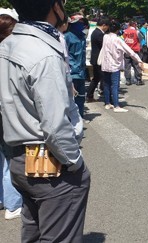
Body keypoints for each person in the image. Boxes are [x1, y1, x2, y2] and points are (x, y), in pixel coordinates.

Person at [0, 0, 90, 241]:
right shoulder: (43, 53)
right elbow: (55, 125)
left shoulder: (7, 45)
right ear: (55, 7)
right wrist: (74, 162)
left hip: (19, 157)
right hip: (49, 162)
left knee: (33, 230)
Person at [0, 7, 22, 221]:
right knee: (9, 159)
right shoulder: (9, 54)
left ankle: (3, 198)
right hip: (4, 115)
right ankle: (13, 204)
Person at [100, 20, 144, 113]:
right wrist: (139, 60)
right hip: (114, 65)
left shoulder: (105, 37)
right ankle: (116, 105)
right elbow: (130, 51)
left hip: (105, 64)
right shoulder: (118, 40)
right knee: (115, 86)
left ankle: (107, 103)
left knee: (107, 85)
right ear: (117, 30)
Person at [65, 13, 88, 118]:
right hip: (71, 73)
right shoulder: (67, 37)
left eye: (82, 23)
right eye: (79, 23)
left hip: (81, 72)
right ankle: (72, 120)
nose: (82, 25)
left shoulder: (82, 37)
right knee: (71, 98)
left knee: (81, 97)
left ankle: (80, 117)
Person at [87, 17, 110, 103]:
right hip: (98, 59)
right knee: (104, 78)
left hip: (95, 58)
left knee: (96, 78)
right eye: (107, 27)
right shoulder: (99, 34)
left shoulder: (95, 32)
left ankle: (89, 95)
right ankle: (107, 97)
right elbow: (104, 46)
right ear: (104, 25)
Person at [123, 20, 144, 86]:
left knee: (127, 66)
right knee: (136, 65)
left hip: (127, 50)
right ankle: (138, 80)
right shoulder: (136, 32)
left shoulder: (125, 31)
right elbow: (141, 39)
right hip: (135, 50)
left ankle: (128, 80)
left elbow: (122, 39)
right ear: (134, 25)